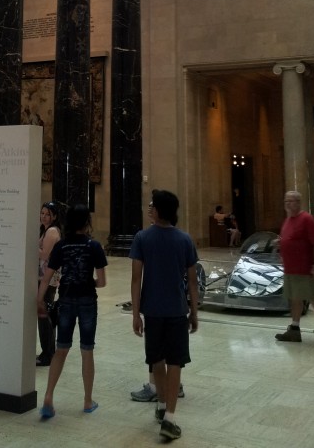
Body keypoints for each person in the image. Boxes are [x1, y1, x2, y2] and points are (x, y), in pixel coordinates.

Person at [130, 189, 199, 442]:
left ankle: (162, 406)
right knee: (175, 363)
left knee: (156, 360)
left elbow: (136, 278)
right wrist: (195, 312)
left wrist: (135, 314)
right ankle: (168, 415)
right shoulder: (185, 240)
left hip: (153, 311)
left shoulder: (142, 238)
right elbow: (192, 281)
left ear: (158, 211)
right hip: (177, 311)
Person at [37, 204, 107, 420]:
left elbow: (47, 277)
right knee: (87, 350)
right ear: (87, 223)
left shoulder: (62, 246)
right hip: (87, 300)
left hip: (65, 299)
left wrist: (39, 300)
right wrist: (89, 282)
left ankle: (48, 396)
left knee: (61, 350)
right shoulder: (94, 246)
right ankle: (87, 400)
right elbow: (102, 282)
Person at [275, 190, 314, 344]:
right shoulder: (288, 219)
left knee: (311, 297)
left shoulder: (307, 219)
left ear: (298, 202)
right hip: (290, 267)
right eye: (286, 201)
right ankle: (294, 329)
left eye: (291, 201)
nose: (288, 204)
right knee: (295, 298)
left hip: (303, 267)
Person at [37, 201, 62, 366]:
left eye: (48, 214)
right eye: (42, 213)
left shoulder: (52, 231)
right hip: (44, 277)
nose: (44, 217)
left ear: (54, 216)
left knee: (44, 315)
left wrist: (27, 244)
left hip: (48, 279)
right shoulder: (46, 230)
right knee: (45, 315)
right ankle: (48, 351)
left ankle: (48, 353)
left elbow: (44, 255)